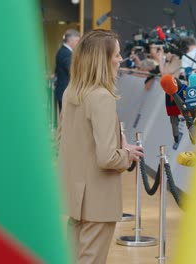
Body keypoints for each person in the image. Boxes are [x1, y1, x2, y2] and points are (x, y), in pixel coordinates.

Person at [58, 29, 144, 264]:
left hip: (76, 198)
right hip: (98, 201)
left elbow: (65, 140)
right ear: (102, 59)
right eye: (116, 54)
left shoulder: (71, 93)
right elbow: (106, 157)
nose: (119, 59)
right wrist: (126, 153)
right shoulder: (102, 98)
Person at [54, 29, 80, 111]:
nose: (78, 43)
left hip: (64, 91)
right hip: (65, 92)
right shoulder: (66, 53)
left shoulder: (63, 51)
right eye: (77, 40)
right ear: (70, 40)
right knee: (66, 120)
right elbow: (72, 71)